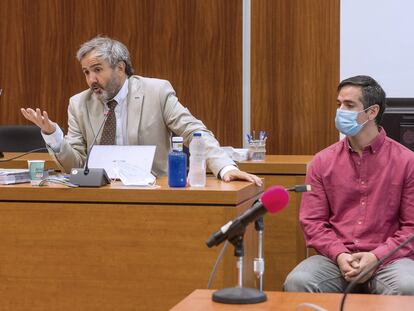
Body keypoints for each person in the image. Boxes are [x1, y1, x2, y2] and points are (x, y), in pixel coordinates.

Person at [21, 36, 262, 186]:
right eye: (86, 72)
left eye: (97, 70)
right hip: (100, 195)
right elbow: (76, 163)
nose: (91, 79)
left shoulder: (156, 92)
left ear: (120, 68)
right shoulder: (79, 103)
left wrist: (225, 167)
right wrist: (53, 134)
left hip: (153, 193)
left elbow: (194, 131)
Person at [284, 75, 414, 295]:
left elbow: (411, 228)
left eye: (349, 105)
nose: (340, 111)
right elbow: (313, 221)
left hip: (390, 260)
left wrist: (376, 256)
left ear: (372, 112)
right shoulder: (322, 161)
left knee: (408, 286)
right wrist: (340, 255)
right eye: (339, 104)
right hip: (336, 260)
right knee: (299, 281)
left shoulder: (407, 161)